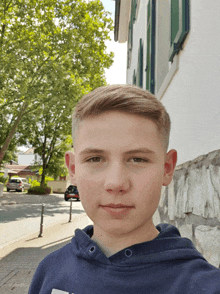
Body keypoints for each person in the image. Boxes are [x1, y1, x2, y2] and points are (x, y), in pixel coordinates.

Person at [29, 85, 220, 294]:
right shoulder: (49, 271)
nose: (116, 183)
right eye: (95, 159)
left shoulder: (207, 286)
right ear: (73, 169)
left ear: (167, 168)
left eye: (137, 159)